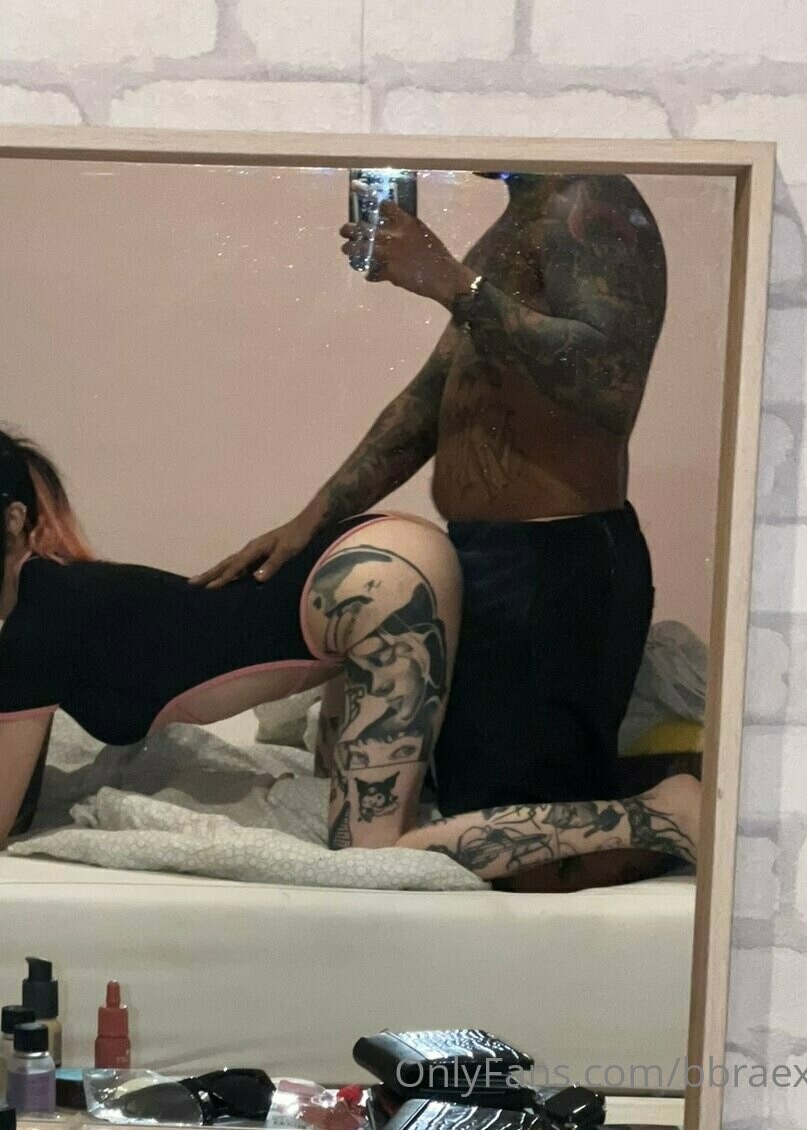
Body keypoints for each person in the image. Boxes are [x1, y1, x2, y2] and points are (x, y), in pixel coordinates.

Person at [193, 172, 700, 889]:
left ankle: (673, 811)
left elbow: (608, 383)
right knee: (474, 809)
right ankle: (659, 790)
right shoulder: (515, 220)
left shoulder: (588, 198)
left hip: (551, 561)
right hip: (493, 558)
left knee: (511, 849)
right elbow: (431, 399)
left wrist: (453, 283)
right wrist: (310, 520)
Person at [0, 428, 698, 878]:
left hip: (375, 582)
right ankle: (655, 791)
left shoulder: (40, 619)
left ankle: (665, 813)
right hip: (369, 570)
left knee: (369, 851)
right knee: (367, 800)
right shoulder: (55, 600)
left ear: (15, 517)